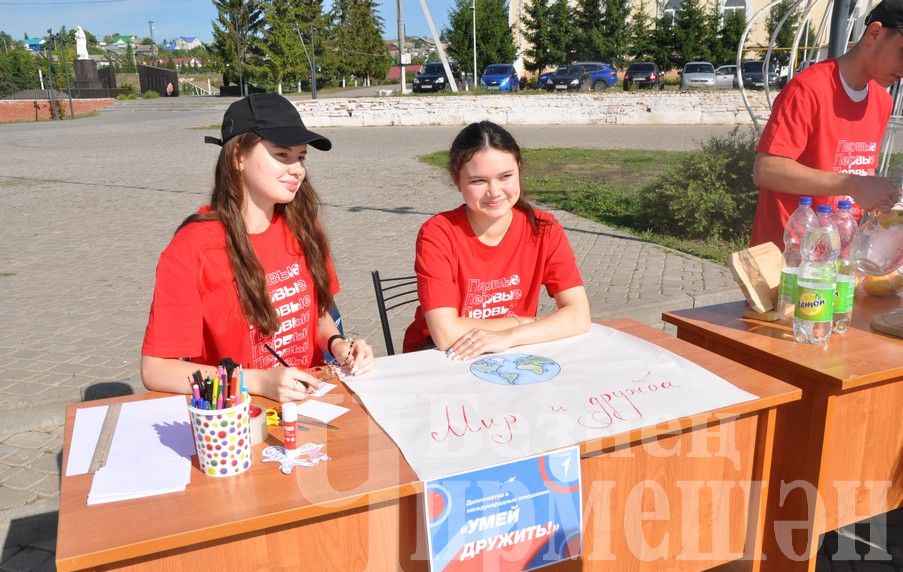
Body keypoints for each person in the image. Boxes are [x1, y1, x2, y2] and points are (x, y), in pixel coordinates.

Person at [141, 93, 373, 402]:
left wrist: (338, 345)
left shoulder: (304, 226)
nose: (297, 169)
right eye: (282, 154)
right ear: (238, 156)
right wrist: (259, 382)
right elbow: (156, 370)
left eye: (301, 157)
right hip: (237, 416)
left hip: (309, 403)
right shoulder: (193, 247)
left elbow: (316, 313)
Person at [402, 120, 591, 358]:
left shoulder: (544, 228)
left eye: (505, 176)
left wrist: (510, 336)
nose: (495, 191)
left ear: (519, 169)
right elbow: (445, 334)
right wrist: (526, 322)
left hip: (510, 351)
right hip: (443, 356)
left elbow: (579, 316)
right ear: (456, 180)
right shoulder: (438, 233)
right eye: (478, 181)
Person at [750, 0, 903, 249]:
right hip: (786, 262)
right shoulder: (808, 89)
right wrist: (852, 184)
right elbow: (766, 169)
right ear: (875, 33)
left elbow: (856, 168)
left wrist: (880, 200)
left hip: (836, 261)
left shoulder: (881, 101)